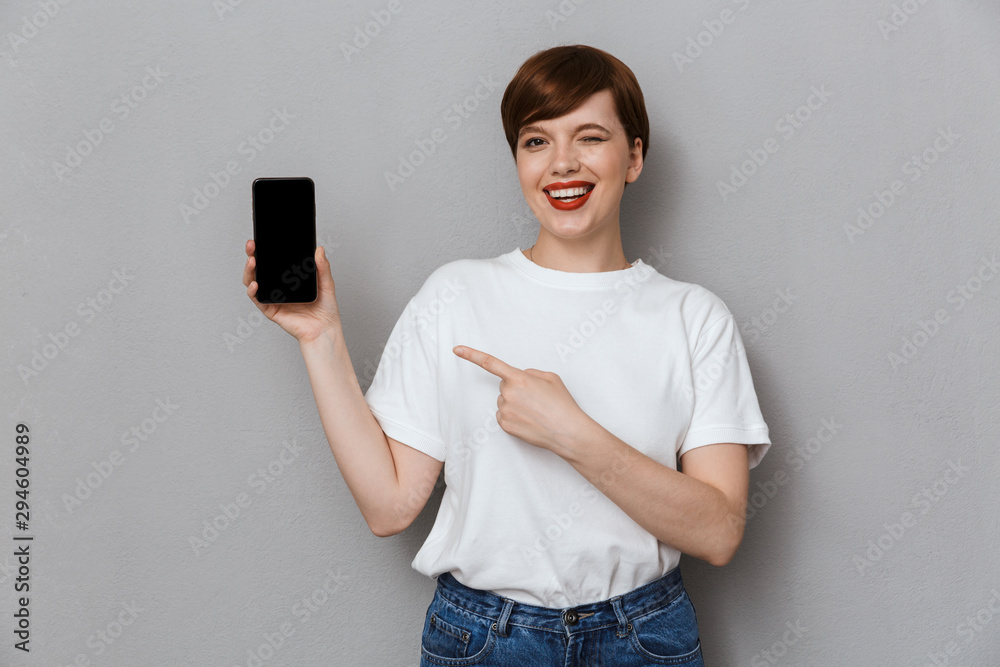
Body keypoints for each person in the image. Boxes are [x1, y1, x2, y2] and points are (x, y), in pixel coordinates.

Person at [243, 44, 770, 666]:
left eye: (590, 137)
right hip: (484, 639)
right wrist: (321, 338)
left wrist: (571, 433)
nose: (562, 164)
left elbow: (718, 532)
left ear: (634, 156)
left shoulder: (694, 318)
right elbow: (389, 506)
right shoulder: (455, 294)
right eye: (536, 142)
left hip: (643, 639)